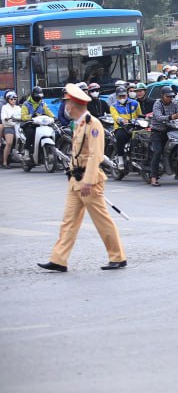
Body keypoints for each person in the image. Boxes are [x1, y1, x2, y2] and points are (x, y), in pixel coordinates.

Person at [38, 83, 127, 272]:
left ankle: (117, 257)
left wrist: (88, 180)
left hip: (89, 181)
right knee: (68, 222)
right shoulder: (78, 124)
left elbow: (95, 155)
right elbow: (77, 154)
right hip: (75, 181)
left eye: (67, 103)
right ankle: (58, 259)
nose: (65, 107)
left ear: (73, 105)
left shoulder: (92, 124)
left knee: (102, 221)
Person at [148, 86, 178, 187]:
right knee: (158, 152)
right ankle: (153, 177)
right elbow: (158, 117)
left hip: (170, 130)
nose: (170, 98)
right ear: (162, 96)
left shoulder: (174, 102)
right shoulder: (157, 104)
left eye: (171, 96)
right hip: (157, 131)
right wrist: (171, 117)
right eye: (168, 96)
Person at [107, 84, 142, 157]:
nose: (122, 98)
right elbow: (115, 116)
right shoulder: (113, 106)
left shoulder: (135, 103)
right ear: (116, 97)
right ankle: (120, 158)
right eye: (120, 96)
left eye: (124, 96)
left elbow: (140, 115)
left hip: (135, 127)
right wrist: (122, 120)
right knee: (120, 137)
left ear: (127, 95)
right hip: (121, 127)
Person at [2, 90, 22, 167]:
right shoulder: (5, 107)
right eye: (11, 99)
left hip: (18, 127)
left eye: (15, 99)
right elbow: (3, 117)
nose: (13, 100)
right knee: (9, 143)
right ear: (8, 99)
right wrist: (7, 118)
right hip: (9, 127)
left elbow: (22, 115)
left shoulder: (18, 108)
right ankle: (4, 162)